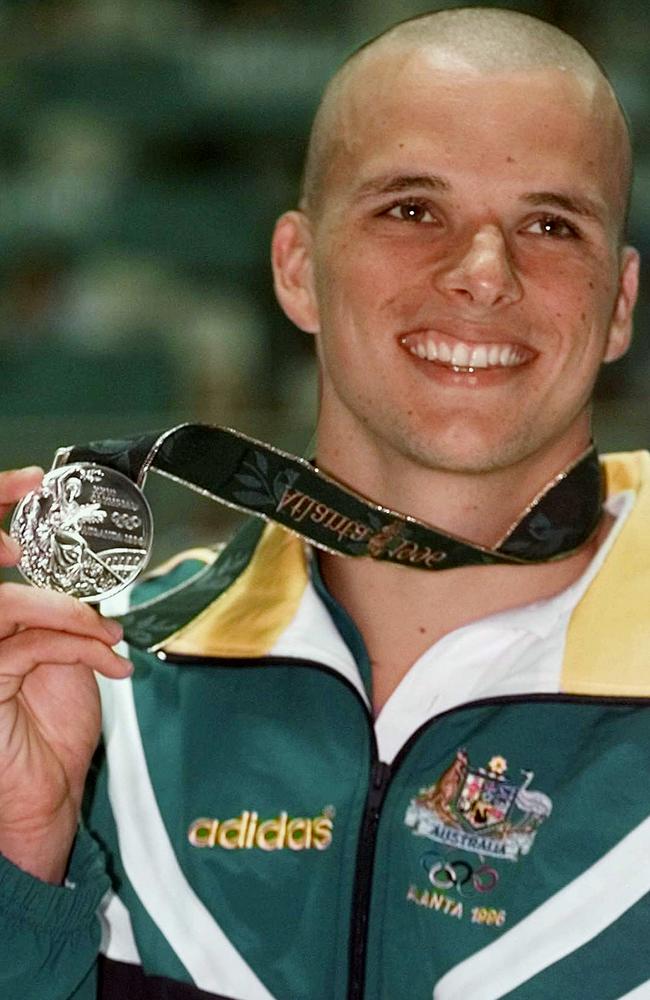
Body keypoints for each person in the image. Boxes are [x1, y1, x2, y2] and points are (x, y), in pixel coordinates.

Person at [0, 7, 647, 999]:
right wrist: (21, 868)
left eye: (549, 224)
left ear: (617, 302)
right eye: (410, 209)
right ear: (297, 268)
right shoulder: (105, 690)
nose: (481, 272)